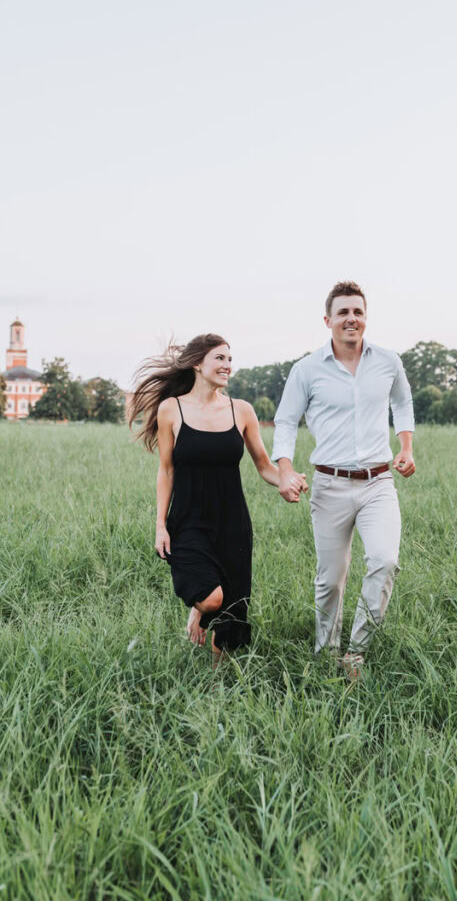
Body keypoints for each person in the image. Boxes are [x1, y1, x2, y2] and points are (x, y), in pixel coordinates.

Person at [129, 334, 307, 668]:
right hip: (188, 518)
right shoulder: (172, 409)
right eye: (220, 359)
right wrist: (160, 525)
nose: (228, 366)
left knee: (233, 605)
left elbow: (264, 466)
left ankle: (216, 679)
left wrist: (287, 479)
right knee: (212, 598)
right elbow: (165, 472)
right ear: (198, 363)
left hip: (232, 521)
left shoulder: (241, 411)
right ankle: (198, 610)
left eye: (229, 359)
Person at [272, 282, 415, 680]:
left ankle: (357, 651)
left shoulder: (388, 361)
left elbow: (402, 402)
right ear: (328, 320)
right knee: (331, 579)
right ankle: (325, 652)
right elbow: (285, 421)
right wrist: (284, 469)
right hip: (330, 485)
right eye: (343, 313)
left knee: (384, 561)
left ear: (365, 317)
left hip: (378, 483)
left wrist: (406, 447)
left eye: (358, 312)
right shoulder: (306, 369)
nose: (351, 319)